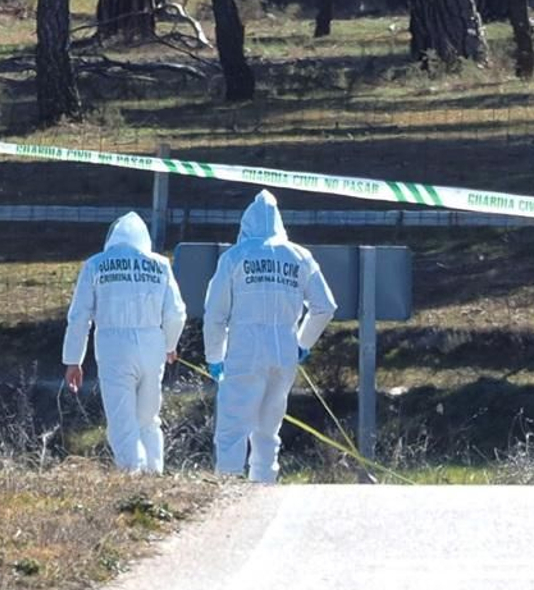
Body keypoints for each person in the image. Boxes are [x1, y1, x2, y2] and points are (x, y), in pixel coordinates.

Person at [203, 190, 337, 483]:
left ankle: (228, 491)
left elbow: (215, 314)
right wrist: (303, 343)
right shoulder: (300, 256)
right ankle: (264, 489)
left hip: (245, 351)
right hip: (284, 352)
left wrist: (214, 356)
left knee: (232, 428)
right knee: (268, 429)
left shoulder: (235, 257)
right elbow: (325, 307)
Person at [62, 212, 187, 474]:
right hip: (153, 344)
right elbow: (176, 312)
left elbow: (79, 316)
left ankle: (132, 474)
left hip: (113, 345)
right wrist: (170, 345)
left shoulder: (96, 265)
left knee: (122, 419)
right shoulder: (160, 264)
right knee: (148, 418)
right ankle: (154, 473)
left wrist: (74, 360)